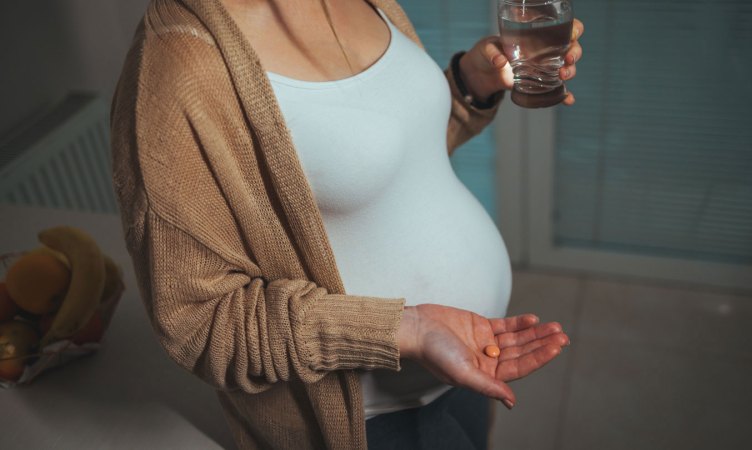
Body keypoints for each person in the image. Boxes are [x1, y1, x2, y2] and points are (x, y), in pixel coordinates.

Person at [110, 0, 583, 448]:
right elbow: (198, 321)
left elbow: (390, 163)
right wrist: (405, 329)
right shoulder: (177, 64)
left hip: (468, 362)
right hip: (372, 421)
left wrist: (467, 86)